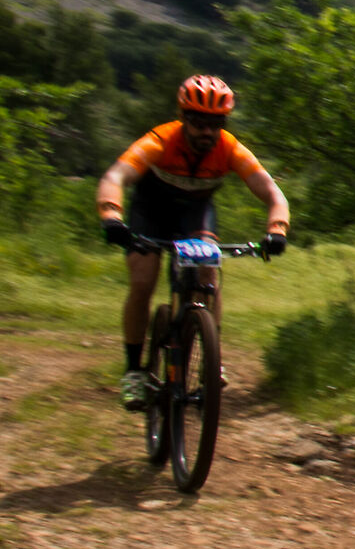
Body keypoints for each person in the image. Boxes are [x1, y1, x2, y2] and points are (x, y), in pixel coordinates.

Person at [96, 75, 291, 410]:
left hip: (195, 217)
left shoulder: (229, 148)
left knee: (208, 277)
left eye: (215, 123)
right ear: (183, 118)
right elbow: (115, 177)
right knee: (142, 280)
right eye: (199, 122)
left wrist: (277, 229)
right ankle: (133, 372)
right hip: (150, 213)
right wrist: (112, 217)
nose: (207, 131)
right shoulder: (160, 140)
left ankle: (209, 359)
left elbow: (273, 193)